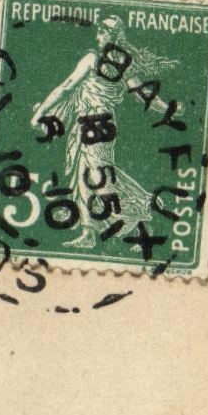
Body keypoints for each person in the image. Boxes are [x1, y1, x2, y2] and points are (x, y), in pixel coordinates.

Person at [30, 17, 176, 249]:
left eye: (101, 32)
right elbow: (144, 94)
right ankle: (89, 233)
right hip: (92, 123)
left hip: (95, 124)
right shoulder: (124, 64)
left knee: (100, 178)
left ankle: (142, 217)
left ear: (110, 34)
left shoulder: (93, 59)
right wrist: (166, 108)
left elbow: (66, 87)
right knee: (84, 178)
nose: (97, 37)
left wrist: (40, 113)